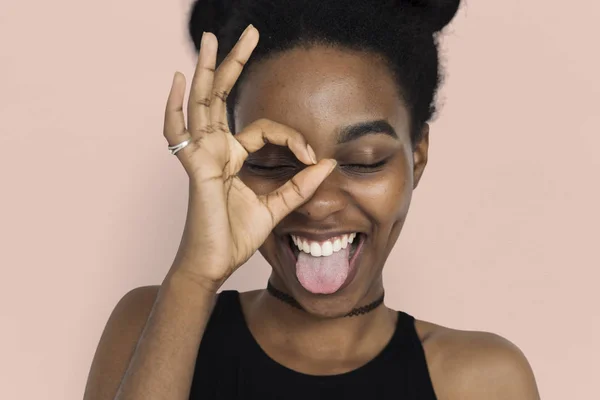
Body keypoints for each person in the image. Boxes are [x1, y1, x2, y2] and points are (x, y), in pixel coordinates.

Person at [83, 0, 541, 399]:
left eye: (363, 161)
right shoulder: (148, 324)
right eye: (270, 162)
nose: (317, 203)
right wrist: (194, 275)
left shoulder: (482, 380)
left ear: (417, 157)